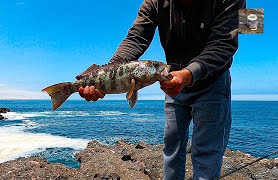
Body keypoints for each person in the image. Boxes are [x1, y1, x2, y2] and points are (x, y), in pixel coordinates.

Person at [78, 0, 246, 179]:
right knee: (171, 146)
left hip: (212, 82)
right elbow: (136, 37)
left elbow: (226, 43)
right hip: (174, 82)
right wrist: (108, 73)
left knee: (207, 152)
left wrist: (189, 74)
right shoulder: (152, 2)